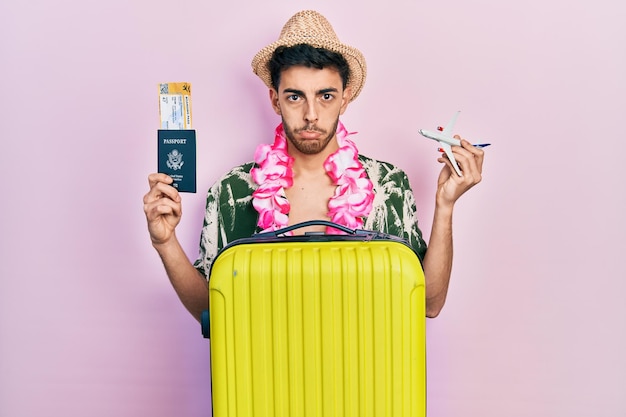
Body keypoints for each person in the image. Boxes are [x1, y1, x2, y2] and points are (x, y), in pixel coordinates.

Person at [143, 10, 484, 322]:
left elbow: (428, 304)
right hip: (265, 379)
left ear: (345, 98)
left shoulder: (388, 185)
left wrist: (445, 204)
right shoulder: (232, 191)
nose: (310, 114)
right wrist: (165, 242)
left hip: (365, 379)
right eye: (295, 96)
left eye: (325, 96)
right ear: (275, 100)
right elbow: (210, 309)